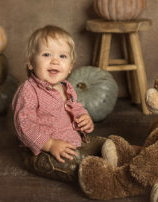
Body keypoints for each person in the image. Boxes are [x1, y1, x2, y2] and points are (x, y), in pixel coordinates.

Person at [12, 25, 106, 182]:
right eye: (46, 54)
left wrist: (83, 117)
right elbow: (24, 125)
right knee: (76, 166)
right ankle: (100, 177)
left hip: (74, 144)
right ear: (30, 63)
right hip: (43, 152)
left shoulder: (66, 87)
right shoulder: (28, 91)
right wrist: (49, 145)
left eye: (62, 56)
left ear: (70, 67)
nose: (55, 61)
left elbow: (74, 107)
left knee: (103, 144)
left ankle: (124, 154)